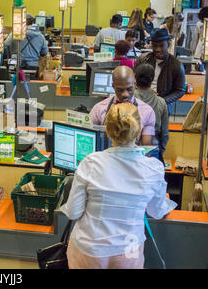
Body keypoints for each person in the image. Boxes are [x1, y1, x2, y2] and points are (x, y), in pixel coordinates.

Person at [61, 103, 177, 269]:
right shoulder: (153, 169)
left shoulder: (90, 163)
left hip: (88, 249)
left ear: (107, 131)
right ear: (138, 131)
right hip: (129, 250)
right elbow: (157, 212)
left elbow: (73, 212)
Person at [89, 66, 155, 146]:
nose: (125, 94)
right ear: (113, 86)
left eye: (129, 89)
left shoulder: (147, 111)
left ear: (135, 84)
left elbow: (146, 146)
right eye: (120, 90)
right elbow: (89, 139)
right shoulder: (99, 109)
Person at [134, 28, 185, 112]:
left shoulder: (176, 65)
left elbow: (180, 90)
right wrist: (144, 89)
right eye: (155, 45)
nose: (158, 49)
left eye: (161, 45)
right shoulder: (142, 59)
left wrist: (161, 101)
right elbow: (133, 80)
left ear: (168, 44)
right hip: (141, 100)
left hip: (162, 105)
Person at [134, 64, 169, 163]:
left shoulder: (128, 99)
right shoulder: (161, 102)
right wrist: (160, 151)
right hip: (152, 149)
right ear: (153, 78)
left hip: (130, 147)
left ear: (135, 76)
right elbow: (165, 133)